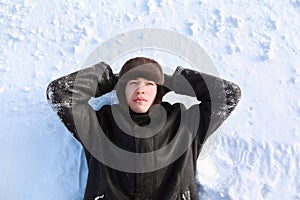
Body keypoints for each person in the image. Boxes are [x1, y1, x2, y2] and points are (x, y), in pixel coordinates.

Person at [46, 57, 241, 200]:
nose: (141, 89)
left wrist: (175, 80)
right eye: (133, 82)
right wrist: (108, 78)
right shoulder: (98, 125)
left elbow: (228, 95)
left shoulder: (185, 123)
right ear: (122, 89)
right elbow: (59, 93)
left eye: (149, 83)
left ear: (159, 90)